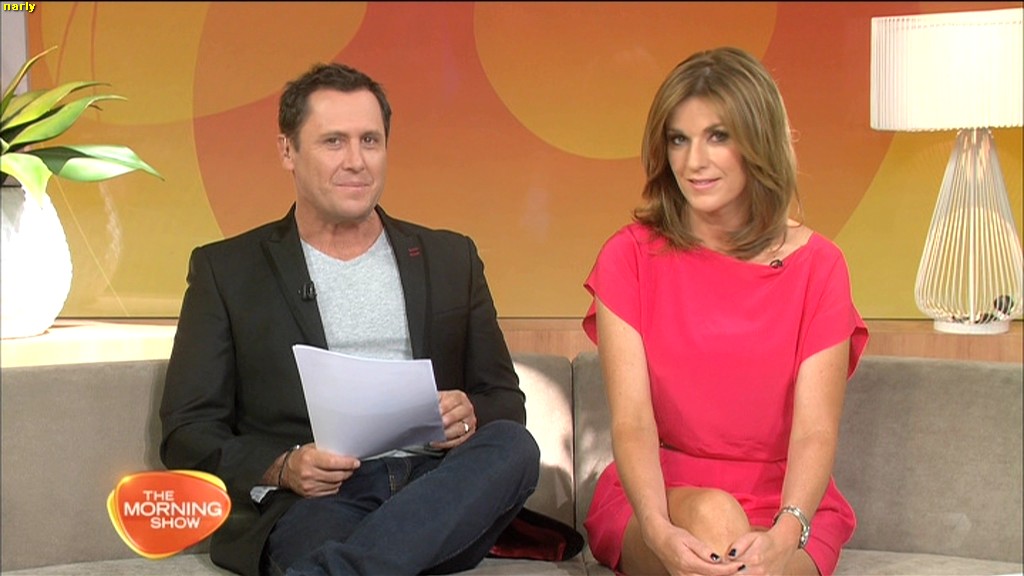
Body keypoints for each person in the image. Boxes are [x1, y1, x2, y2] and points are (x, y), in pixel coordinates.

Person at [159, 62, 544, 576]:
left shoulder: (451, 258)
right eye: (334, 142)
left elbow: (505, 402)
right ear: (288, 151)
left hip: (437, 490)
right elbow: (187, 431)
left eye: (370, 141)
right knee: (323, 541)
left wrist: (469, 413)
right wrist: (283, 467)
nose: (357, 161)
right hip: (319, 502)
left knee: (514, 447)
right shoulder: (226, 270)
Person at [581, 46, 869, 576]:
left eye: (718, 136)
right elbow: (633, 422)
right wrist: (657, 529)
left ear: (759, 142)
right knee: (715, 521)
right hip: (661, 497)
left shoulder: (821, 267)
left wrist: (786, 533)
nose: (693, 162)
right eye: (679, 139)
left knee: (752, 565)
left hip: (788, 507)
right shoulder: (629, 257)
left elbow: (814, 432)